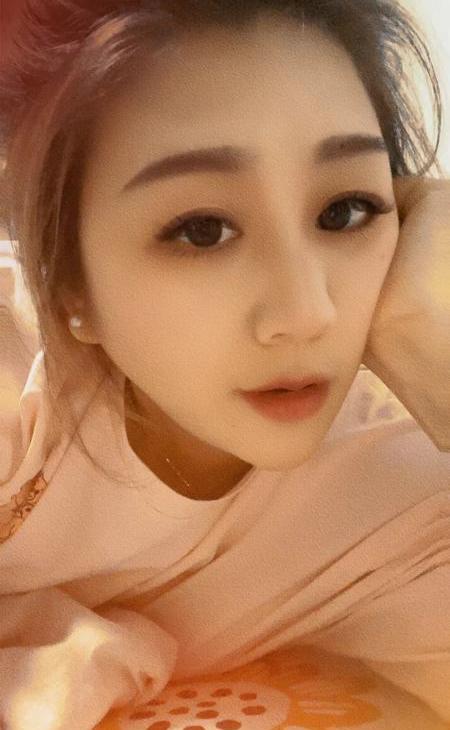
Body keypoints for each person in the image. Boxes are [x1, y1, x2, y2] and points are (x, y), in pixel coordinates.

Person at [0, 1, 449, 728]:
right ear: (68, 281)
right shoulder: (17, 377)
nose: (307, 312)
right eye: (203, 230)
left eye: (345, 211)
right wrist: (65, 652)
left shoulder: (398, 500)